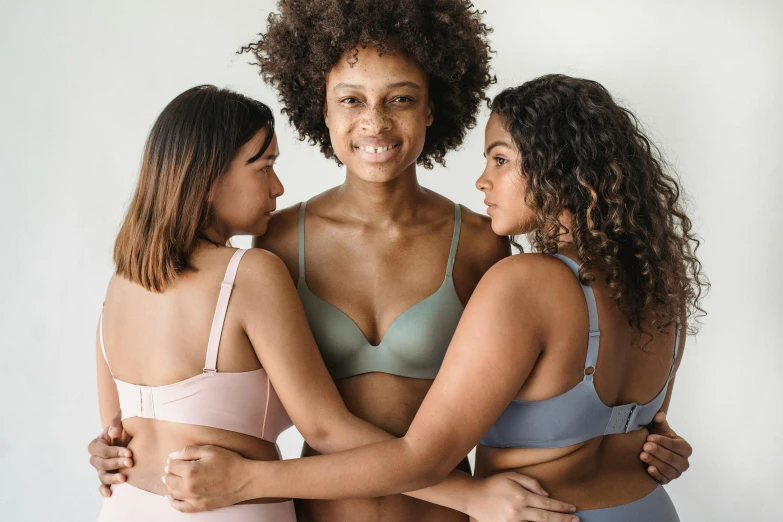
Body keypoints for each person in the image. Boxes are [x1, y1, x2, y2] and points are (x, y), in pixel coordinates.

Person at [90, 2, 693, 520]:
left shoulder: (484, 244)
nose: (373, 122)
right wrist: (126, 441)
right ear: (320, 110)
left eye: (400, 99)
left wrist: (635, 435)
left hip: (451, 516)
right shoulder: (274, 242)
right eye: (349, 99)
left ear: (432, 107)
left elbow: (545, 380)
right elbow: (220, 382)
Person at [93, 84, 582, 522]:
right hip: (238, 510)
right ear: (206, 177)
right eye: (264, 168)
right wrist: (470, 497)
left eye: (401, 98)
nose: (278, 186)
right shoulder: (256, 266)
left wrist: (627, 427)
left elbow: (117, 434)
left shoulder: (120, 284)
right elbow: (323, 426)